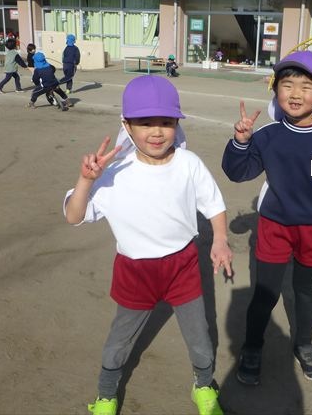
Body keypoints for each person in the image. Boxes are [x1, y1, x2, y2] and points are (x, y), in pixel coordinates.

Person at [63, 75, 233, 415]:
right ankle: (106, 395)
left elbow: (213, 203)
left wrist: (220, 239)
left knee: (199, 336)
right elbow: (74, 216)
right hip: (135, 270)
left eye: (166, 122)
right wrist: (85, 181)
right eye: (145, 123)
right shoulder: (114, 173)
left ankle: (203, 385)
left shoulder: (188, 163)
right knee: (120, 339)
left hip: (182, 265)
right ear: (126, 125)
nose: (157, 132)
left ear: (177, 125)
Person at [222, 50, 312, 386]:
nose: (295, 94)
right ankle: (252, 347)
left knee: (305, 290)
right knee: (265, 292)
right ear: (276, 90)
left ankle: (304, 344)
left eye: (306, 87)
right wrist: (240, 142)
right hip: (274, 227)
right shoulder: (268, 136)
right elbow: (238, 173)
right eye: (287, 85)